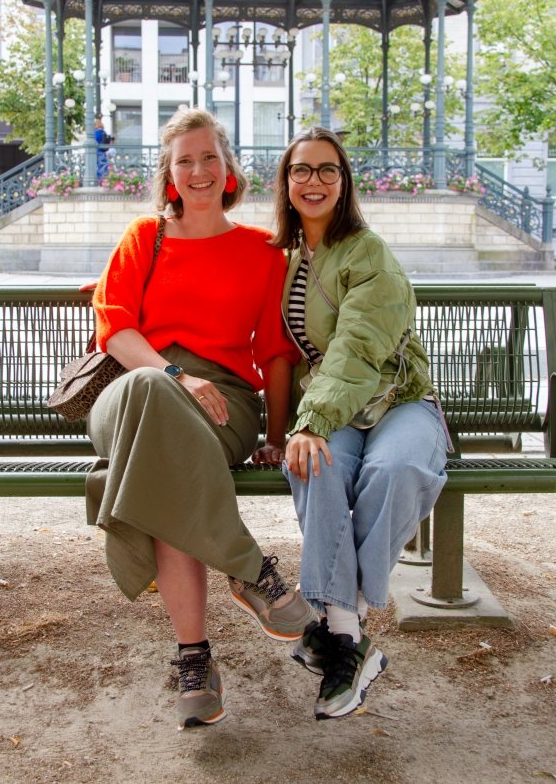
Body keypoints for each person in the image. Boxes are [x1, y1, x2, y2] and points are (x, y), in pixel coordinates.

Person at [85, 108, 316, 730]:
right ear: (168, 173)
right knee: (152, 405)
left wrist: (274, 434)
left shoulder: (262, 251)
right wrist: (172, 375)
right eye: (184, 160)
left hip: (225, 405)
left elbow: (272, 349)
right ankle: (250, 571)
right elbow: (115, 328)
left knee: (164, 465)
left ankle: (194, 660)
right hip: (136, 389)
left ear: (229, 168)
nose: (198, 170)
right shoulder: (143, 237)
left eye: (209, 156)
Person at [272, 127, 452, 721]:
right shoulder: (289, 256)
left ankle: (337, 620)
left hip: (398, 399)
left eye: (328, 170)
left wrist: (312, 420)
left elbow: (355, 345)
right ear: (286, 182)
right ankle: (351, 641)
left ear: (344, 182)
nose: (315, 181)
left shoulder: (367, 251)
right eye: (302, 170)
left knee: (395, 468)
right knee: (315, 467)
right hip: (333, 404)